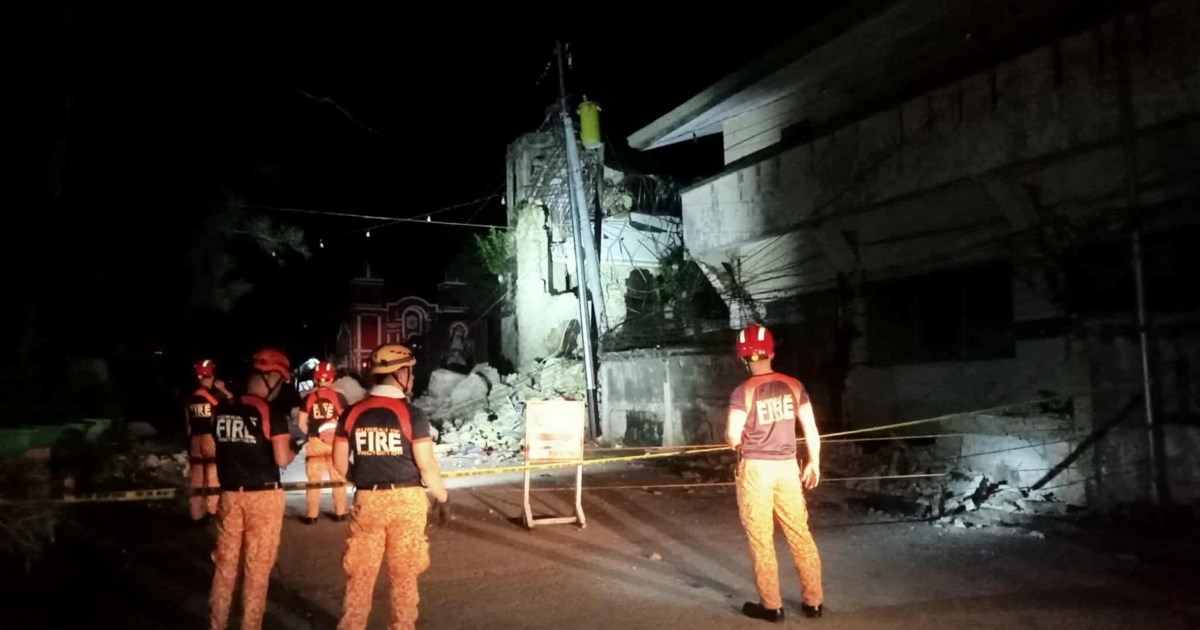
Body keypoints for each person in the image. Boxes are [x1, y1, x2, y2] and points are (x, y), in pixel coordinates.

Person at [333, 343, 448, 630]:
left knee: (359, 579)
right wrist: (442, 496)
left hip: (367, 502)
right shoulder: (413, 414)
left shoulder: (352, 413)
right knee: (404, 580)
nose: (413, 378)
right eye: (411, 372)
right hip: (407, 502)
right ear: (402, 373)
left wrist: (362, 479)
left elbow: (338, 461)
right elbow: (426, 466)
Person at [725, 323, 824, 622]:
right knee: (800, 534)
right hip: (788, 468)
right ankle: (814, 603)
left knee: (761, 538)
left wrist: (738, 440)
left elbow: (732, 435)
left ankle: (772, 606)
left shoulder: (744, 391)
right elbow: (810, 428)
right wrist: (814, 462)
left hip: (756, 470)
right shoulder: (795, 385)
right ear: (771, 351)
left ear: (743, 358)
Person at [209, 348, 298, 630]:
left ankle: (217, 625)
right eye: (281, 382)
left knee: (224, 569)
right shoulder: (272, 412)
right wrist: (295, 446)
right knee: (257, 572)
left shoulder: (222, 408)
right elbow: (282, 458)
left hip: (229, 495)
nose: (281, 389)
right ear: (271, 377)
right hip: (263, 496)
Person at [297, 360, 349, 523]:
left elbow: (300, 423)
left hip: (315, 443)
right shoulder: (339, 397)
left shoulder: (309, 398)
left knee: (314, 481)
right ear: (332, 379)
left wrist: (312, 434)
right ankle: (340, 513)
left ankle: (312, 515)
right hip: (335, 443)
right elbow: (345, 421)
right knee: (338, 478)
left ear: (315, 379)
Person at [184, 359, 233, 523]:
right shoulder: (215, 397)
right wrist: (224, 389)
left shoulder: (190, 398)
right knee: (213, 475)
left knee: (196, 479)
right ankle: (212, 511)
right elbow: (233, 403)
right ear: (211, 376)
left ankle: (196, 515)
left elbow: (188, 425)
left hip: (195, 440)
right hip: (210, 439)